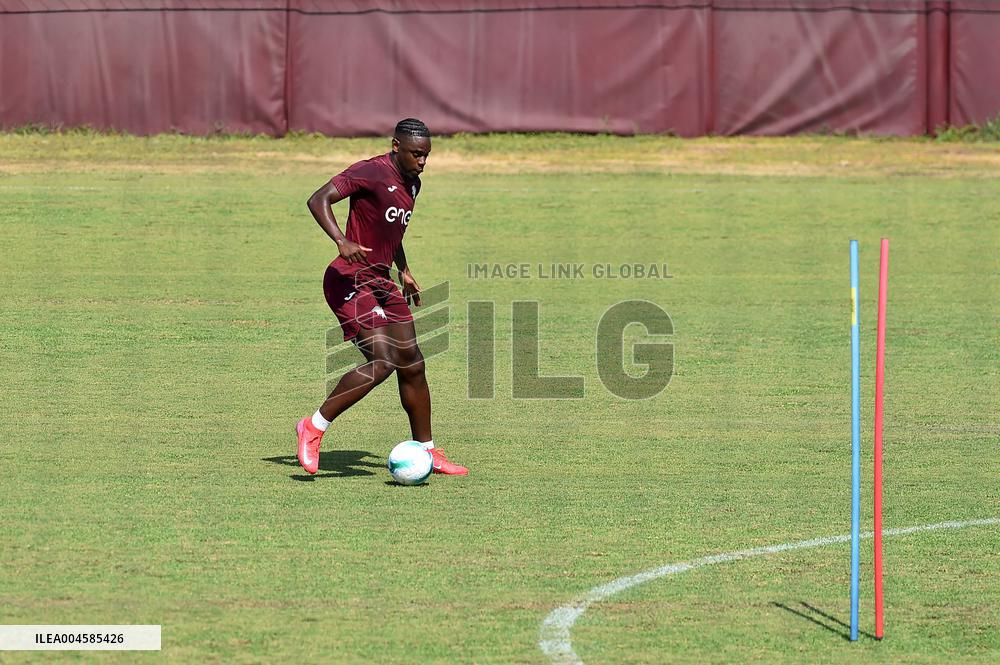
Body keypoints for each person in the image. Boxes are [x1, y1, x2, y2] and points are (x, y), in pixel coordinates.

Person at [296, 118, 468, 477]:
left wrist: (403, 269)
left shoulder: (413, 184)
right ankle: (313, 427)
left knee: (412, 361)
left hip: (381, 280)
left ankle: (428, 451)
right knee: (383, 361)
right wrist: (341, 241)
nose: (422, 162)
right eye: (416, 154)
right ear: (395, 146)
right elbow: (318, 199)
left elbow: (391, 230)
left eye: (427, 156)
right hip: (348, 279)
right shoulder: (370, 172)